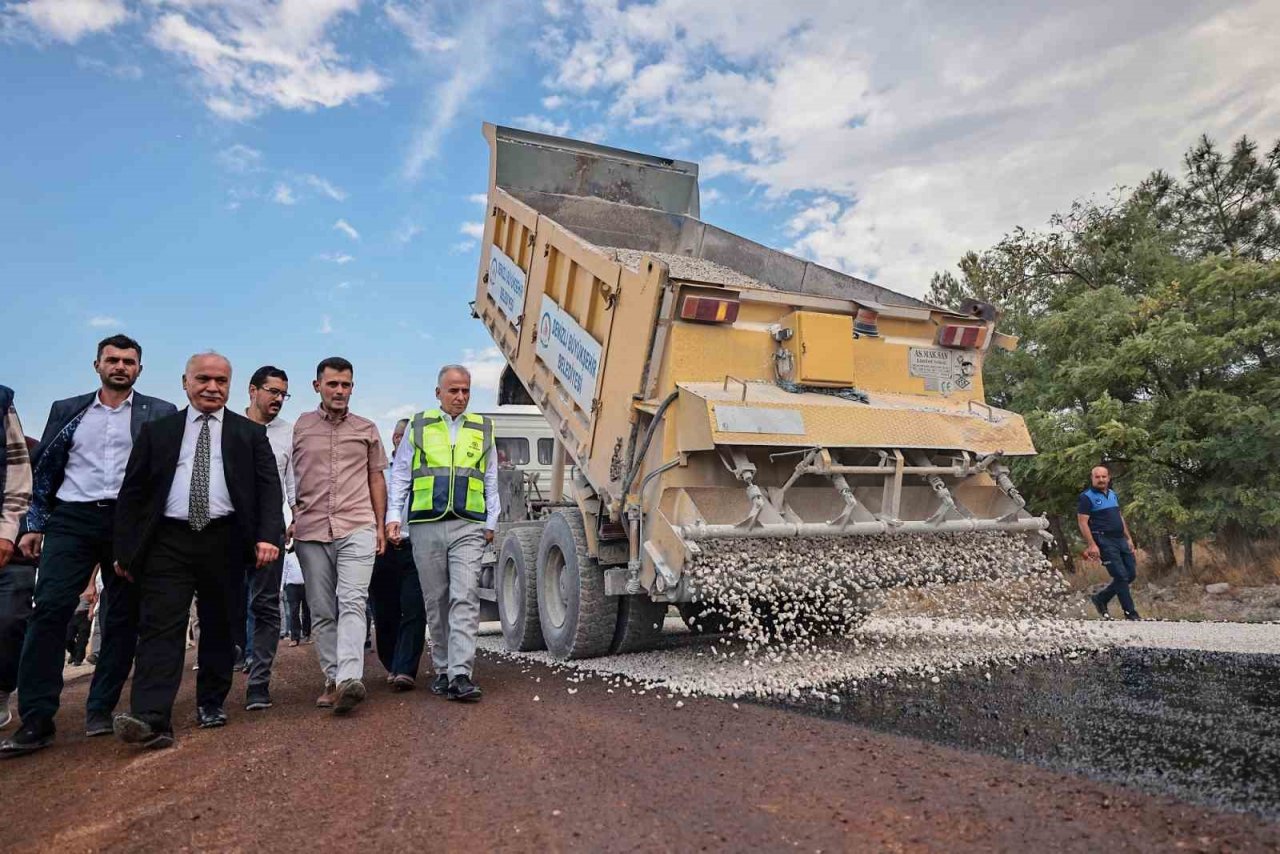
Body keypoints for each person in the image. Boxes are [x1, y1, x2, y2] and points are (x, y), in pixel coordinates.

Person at [2, 336, 177, 757]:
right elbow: (42, 469)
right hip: (72, 518)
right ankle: (37, 719)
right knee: (49, 610)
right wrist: (34, 523)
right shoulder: (67, 410)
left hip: (127, 523)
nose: (120, 366)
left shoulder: (159, 413)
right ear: (96, 364)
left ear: (140, 368)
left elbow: (164, 476)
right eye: (112, 360)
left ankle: (100, 708)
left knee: (121, 616)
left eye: (129, 361)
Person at [111, 352, 282, 750]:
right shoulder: (158, 431)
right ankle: (152, 718)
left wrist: (268, 536)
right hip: (168, 541)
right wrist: (125, 549)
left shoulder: (250, 434)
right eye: (203, 379)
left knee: (220, 624)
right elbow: (132, 493)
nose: (212, 387)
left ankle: (211, 702)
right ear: (185, 382)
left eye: (221, 381)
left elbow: (269, 490)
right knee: (161, 626)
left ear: (231, 385)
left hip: (225, 539)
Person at [386, 365, 499, 703]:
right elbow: (402, 474)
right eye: (453, 391)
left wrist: (491, 521)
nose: (460, 397)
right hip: (425, 525)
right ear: (438, 393)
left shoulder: (483, 428)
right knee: (436, 600)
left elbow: (491, 477)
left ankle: (461, 674)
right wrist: (395, 515)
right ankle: (443, 670)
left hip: (469, 524)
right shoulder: (418, 426)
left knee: (464, 596)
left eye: (465, 391)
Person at [292, 357, 387, 715]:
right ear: (317, 386)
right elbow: (283, 470)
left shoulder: (367, 429)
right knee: (320, 608)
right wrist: (290, 513)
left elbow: (377, 477)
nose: (340, 391)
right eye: (333, 384)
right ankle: (331, 678)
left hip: (357, 525)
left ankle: (349, 679)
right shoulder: (299, 427)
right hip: (311, 530)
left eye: (346, 385)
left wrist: (379, 526)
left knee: (352, 600)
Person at [233, 366, 296, 712]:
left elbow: (292, 480)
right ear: (252, 390)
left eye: (283, 394)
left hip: (270, 529)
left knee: (266, 605)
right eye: (272, 391)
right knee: (226, 603)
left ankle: (259, 683)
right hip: (228, 528)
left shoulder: (288, 433)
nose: (278, 399)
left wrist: (296, 516)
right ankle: (217, 681)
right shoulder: (228, 425)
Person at [368, 418, 425, 691]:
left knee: (414, 608)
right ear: (393, 439)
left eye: (409, 436)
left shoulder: (424, 475)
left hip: (416, 547)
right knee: (385, 610)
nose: (403, 440)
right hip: (383, 549)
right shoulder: (382, 474)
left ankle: (406, 669)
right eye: (400, 435)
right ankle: (391, 663)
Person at [0, 390, 33, 730]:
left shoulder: (2, 403)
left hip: (10, 543)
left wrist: (8, 531)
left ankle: (1, 689)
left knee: (9, 620)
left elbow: (18, 469)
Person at [1078, 465, 1141, 621]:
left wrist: (1128, 538)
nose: (1101, 480)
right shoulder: (1086, 497)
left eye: (1103, 477)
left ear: (1108, 478)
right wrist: (1092, 545)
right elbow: (1082, 522)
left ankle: (1101, 598)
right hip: (1103, 539)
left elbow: (1119, 516)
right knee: (1120, 576)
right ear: (1092, 478)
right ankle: (1131, 613)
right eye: (1097, 477)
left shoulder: (1112, 494)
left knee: (1130, 574)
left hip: (1120, 538)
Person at [281, 546, 310, 646]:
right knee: (294, 611)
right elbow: (284, 571)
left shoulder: (307, 555)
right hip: (291, 586)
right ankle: (295, 637)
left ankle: (306, 634)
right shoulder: (288, 556)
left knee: (307, 611)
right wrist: (281, 588)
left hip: (306, 586)